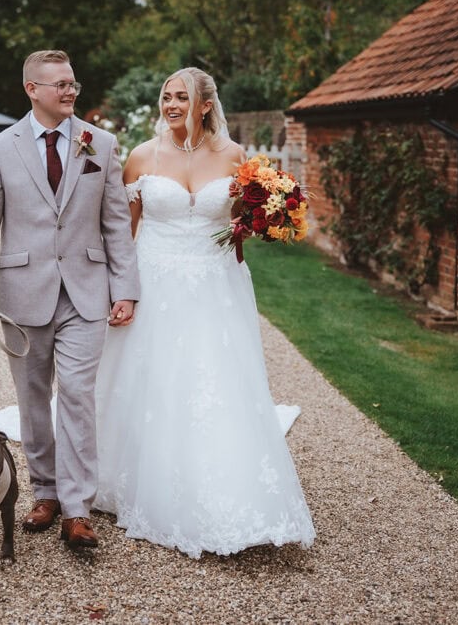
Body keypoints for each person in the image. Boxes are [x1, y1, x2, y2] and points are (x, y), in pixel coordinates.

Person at [92, 67, 316, 558]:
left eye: (181, 97)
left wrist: (266, 218)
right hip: (155, 281)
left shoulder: (236, 157)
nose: (171, 105)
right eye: (166, 97)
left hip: (217, 285)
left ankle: (226, 490)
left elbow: (237, 228)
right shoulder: (141, 157)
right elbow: (124, 235)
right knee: (152, 380)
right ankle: (142, 480)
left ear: (206, 105)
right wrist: (119, 291)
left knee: (216, 381)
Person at [0, 50, 140, 549]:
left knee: (78, 397)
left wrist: (125, 289)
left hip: (86, 293)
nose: (70, 91)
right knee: (33, 399)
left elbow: (116, 224)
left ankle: (77, 509)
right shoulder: (0, 148)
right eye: (59, 84)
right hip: (22, 295)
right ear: (31, 89)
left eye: (72, 83)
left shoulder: (100, 143)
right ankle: (45, 492)